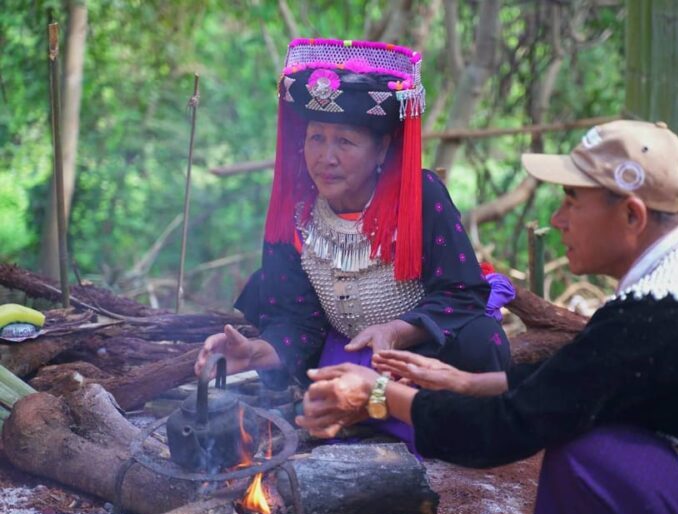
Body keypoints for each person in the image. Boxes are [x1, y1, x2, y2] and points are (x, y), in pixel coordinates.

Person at [296, 120, 678, 514]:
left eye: (572, 202)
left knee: (585, 456)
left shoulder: (656, 316)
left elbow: (507, 430)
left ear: (631, 215)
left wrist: (377, 394)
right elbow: (589, 374)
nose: (558, 220)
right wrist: (473, 381)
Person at [195, 38, 511, 450]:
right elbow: (297, 321)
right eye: (316, 138)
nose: (326, 156)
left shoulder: (420, 195)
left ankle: (429, 424)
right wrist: (254, 353)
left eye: (344, 142)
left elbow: (461, 294)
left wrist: (397, 331)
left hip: (416, 355)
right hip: (344, 354)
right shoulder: (296, 206)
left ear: (382, 148)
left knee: (480, 339)